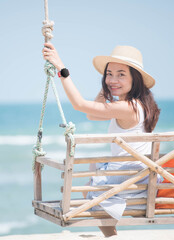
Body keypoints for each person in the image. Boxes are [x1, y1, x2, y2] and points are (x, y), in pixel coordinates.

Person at [42, 43, 160, 237]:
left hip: (130, 178)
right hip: (138, 172)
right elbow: (93, 116)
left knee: (90, 180)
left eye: (121, 74)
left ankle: (110, 235)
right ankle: (110, 234)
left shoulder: (127, 107)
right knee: (95, 168)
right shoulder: (140, 104)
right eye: (109, 74)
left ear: (135, 79)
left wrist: (61, 68)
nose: (113, 79)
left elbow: (79, 105)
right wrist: (108, 88)